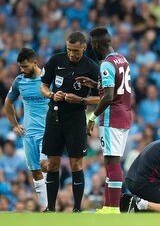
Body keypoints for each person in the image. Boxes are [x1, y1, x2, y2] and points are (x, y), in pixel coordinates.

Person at [40, 31, 100, 212]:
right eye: (69, 49)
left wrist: (80, 100)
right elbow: (43, 85)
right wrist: (51, 94)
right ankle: (50, 208)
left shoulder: (91, 67)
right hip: (55, 116)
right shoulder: (55, 61)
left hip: (76, 118)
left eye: (76, 50)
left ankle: (76, 209)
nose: (72, 54)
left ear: (84, 48)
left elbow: (101, 97)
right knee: (52, 163)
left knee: (76, 164)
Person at [76, 27, 132, 214]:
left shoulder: (106, 64)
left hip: (111, 118)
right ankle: (109, 206)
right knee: (112, 162)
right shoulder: (122, 59)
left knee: (111, 162)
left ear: (97, 44)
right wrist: (94, 84)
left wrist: (92, 117)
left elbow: (108, 97)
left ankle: (113, 208)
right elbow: (116, 88)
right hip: (125, 115)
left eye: (92, 45)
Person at [3, 48, 48, 210]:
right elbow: (8, 103)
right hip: (29, 134)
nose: (22, 70)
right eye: (20, 67)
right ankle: (47, 207)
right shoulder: (19, 81)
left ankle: (53, 203)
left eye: (25, 67)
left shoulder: (47, 78)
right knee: (36, 172)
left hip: (48, 132)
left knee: (45, 165)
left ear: (35, 63)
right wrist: (14, 125)